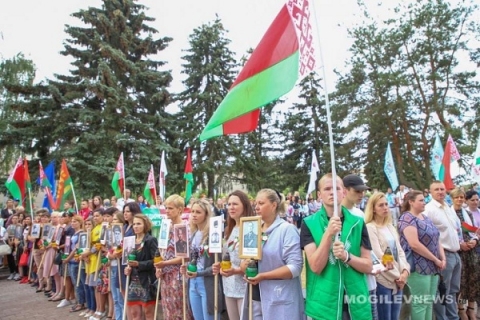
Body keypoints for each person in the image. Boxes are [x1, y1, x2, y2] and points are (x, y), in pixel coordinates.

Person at [302, 173, 373, 320]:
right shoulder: (309, 223)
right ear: (319, 195)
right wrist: (328, 234)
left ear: (344, 192)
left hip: (354, 302)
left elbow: (368, 266)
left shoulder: (358, 223)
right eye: (327, 189)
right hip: (324, 304)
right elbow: (315, 266)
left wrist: (347, 257)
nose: (333, 192)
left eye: (337, 188)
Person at [240, 189, 304, 320]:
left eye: (261, 203)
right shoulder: (253, 228)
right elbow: (246, 263)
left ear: (274, 205)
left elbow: (295, 268)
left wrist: (263, 276)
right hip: (256, 297)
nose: (256, 207)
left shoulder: (287, 230)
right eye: (256, 203)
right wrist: (244, 265)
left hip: (280, 298)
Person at [398, 190, 445, 320]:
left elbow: (436, 238)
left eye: (424, 200)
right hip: (418, 266)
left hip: (433, 267)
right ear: (411, 202)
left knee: (429, 302)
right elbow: (414, 244)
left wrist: (442, 257)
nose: (424, 203)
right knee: (420, 303)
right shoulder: (407, 218)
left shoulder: (425, 218)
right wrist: (436, 259)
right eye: (421, 200)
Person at [365, 192, 410, 320]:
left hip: (399, 280)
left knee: (395, 317)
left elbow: (400, 251)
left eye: (386, 204)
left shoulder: (390, 226)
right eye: (381, 205)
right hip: (384, 280)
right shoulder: (370, 227)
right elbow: (379, 255)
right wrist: (399, 277)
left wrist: (405, 272)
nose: (385, 207)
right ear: (373, 208)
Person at [211, 190, 255, 320]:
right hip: (228, 285)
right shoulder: (228, 230)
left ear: (245, 206)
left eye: (235, 204)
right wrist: (219, 265)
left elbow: (252, 259)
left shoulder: (251, 228)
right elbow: (228, 254)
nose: (231, 207)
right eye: (229, 204)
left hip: (245, 287)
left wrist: (238, 269)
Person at [180, 199, 225, 320]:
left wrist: (199, 273)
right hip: (193, 282)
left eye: (198, 212)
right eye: (192, 211)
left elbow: (217, 263)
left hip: (207, 282)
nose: (194, 214)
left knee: (210, 316)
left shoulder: (212, 235)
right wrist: (186, 266)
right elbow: (193, 258)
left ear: (206, 214)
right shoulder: (193, 234)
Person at [341, 174, 378, 319]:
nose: (361, 194)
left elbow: (366, 247)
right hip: (349, 282)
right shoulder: (336, 215)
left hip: (366, 277)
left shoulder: (359, 214)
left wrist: (376, 265)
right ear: (345, 190)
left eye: (363, 191)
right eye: (357, 191)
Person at [423, 181, 461, 320]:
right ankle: (442, 318)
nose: (440, 192)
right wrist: (437, 257)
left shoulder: (447, 208)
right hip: (443, 255)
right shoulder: (428, 210)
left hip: (456, 254)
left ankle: (453, 317)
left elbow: (455, 230)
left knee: (452, 291)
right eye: (436, 189)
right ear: (431, 192)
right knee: (441, 291)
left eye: (442, 189)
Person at [155, 194, 194, 320]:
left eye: (171, 208)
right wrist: (159, 267)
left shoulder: (184, 228)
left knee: (180, 309)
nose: (167, 211)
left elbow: (185, 256)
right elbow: (161, 251)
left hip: (178, 274)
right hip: (165, 275)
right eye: (166, 208)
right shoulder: (165, 227)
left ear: (180, 209)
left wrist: (165, 264)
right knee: (167, 308)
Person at [450, 188, 480, 320]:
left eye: (461, 197)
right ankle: (461, 309)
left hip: (472, 251)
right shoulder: (449, 214)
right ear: (452, 199)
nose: (459, 200)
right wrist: (460, 244)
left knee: (473, 281)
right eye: (457, 197)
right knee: (461, 283)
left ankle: (471, 309)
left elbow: (475, 231)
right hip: (459, 251)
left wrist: (475, 240)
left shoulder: (468, 213)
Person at [124, 214, 158, 320]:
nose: (135, 226)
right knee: (134, 313)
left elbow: (155, 261)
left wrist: (139, 264)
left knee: (148, 313)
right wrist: (128, 268)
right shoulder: (130, 241)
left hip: (146, 281)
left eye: (139, 224)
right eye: (134, 224)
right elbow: (127, 261)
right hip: (133, 281)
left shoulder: (150, 240)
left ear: (145, 225)